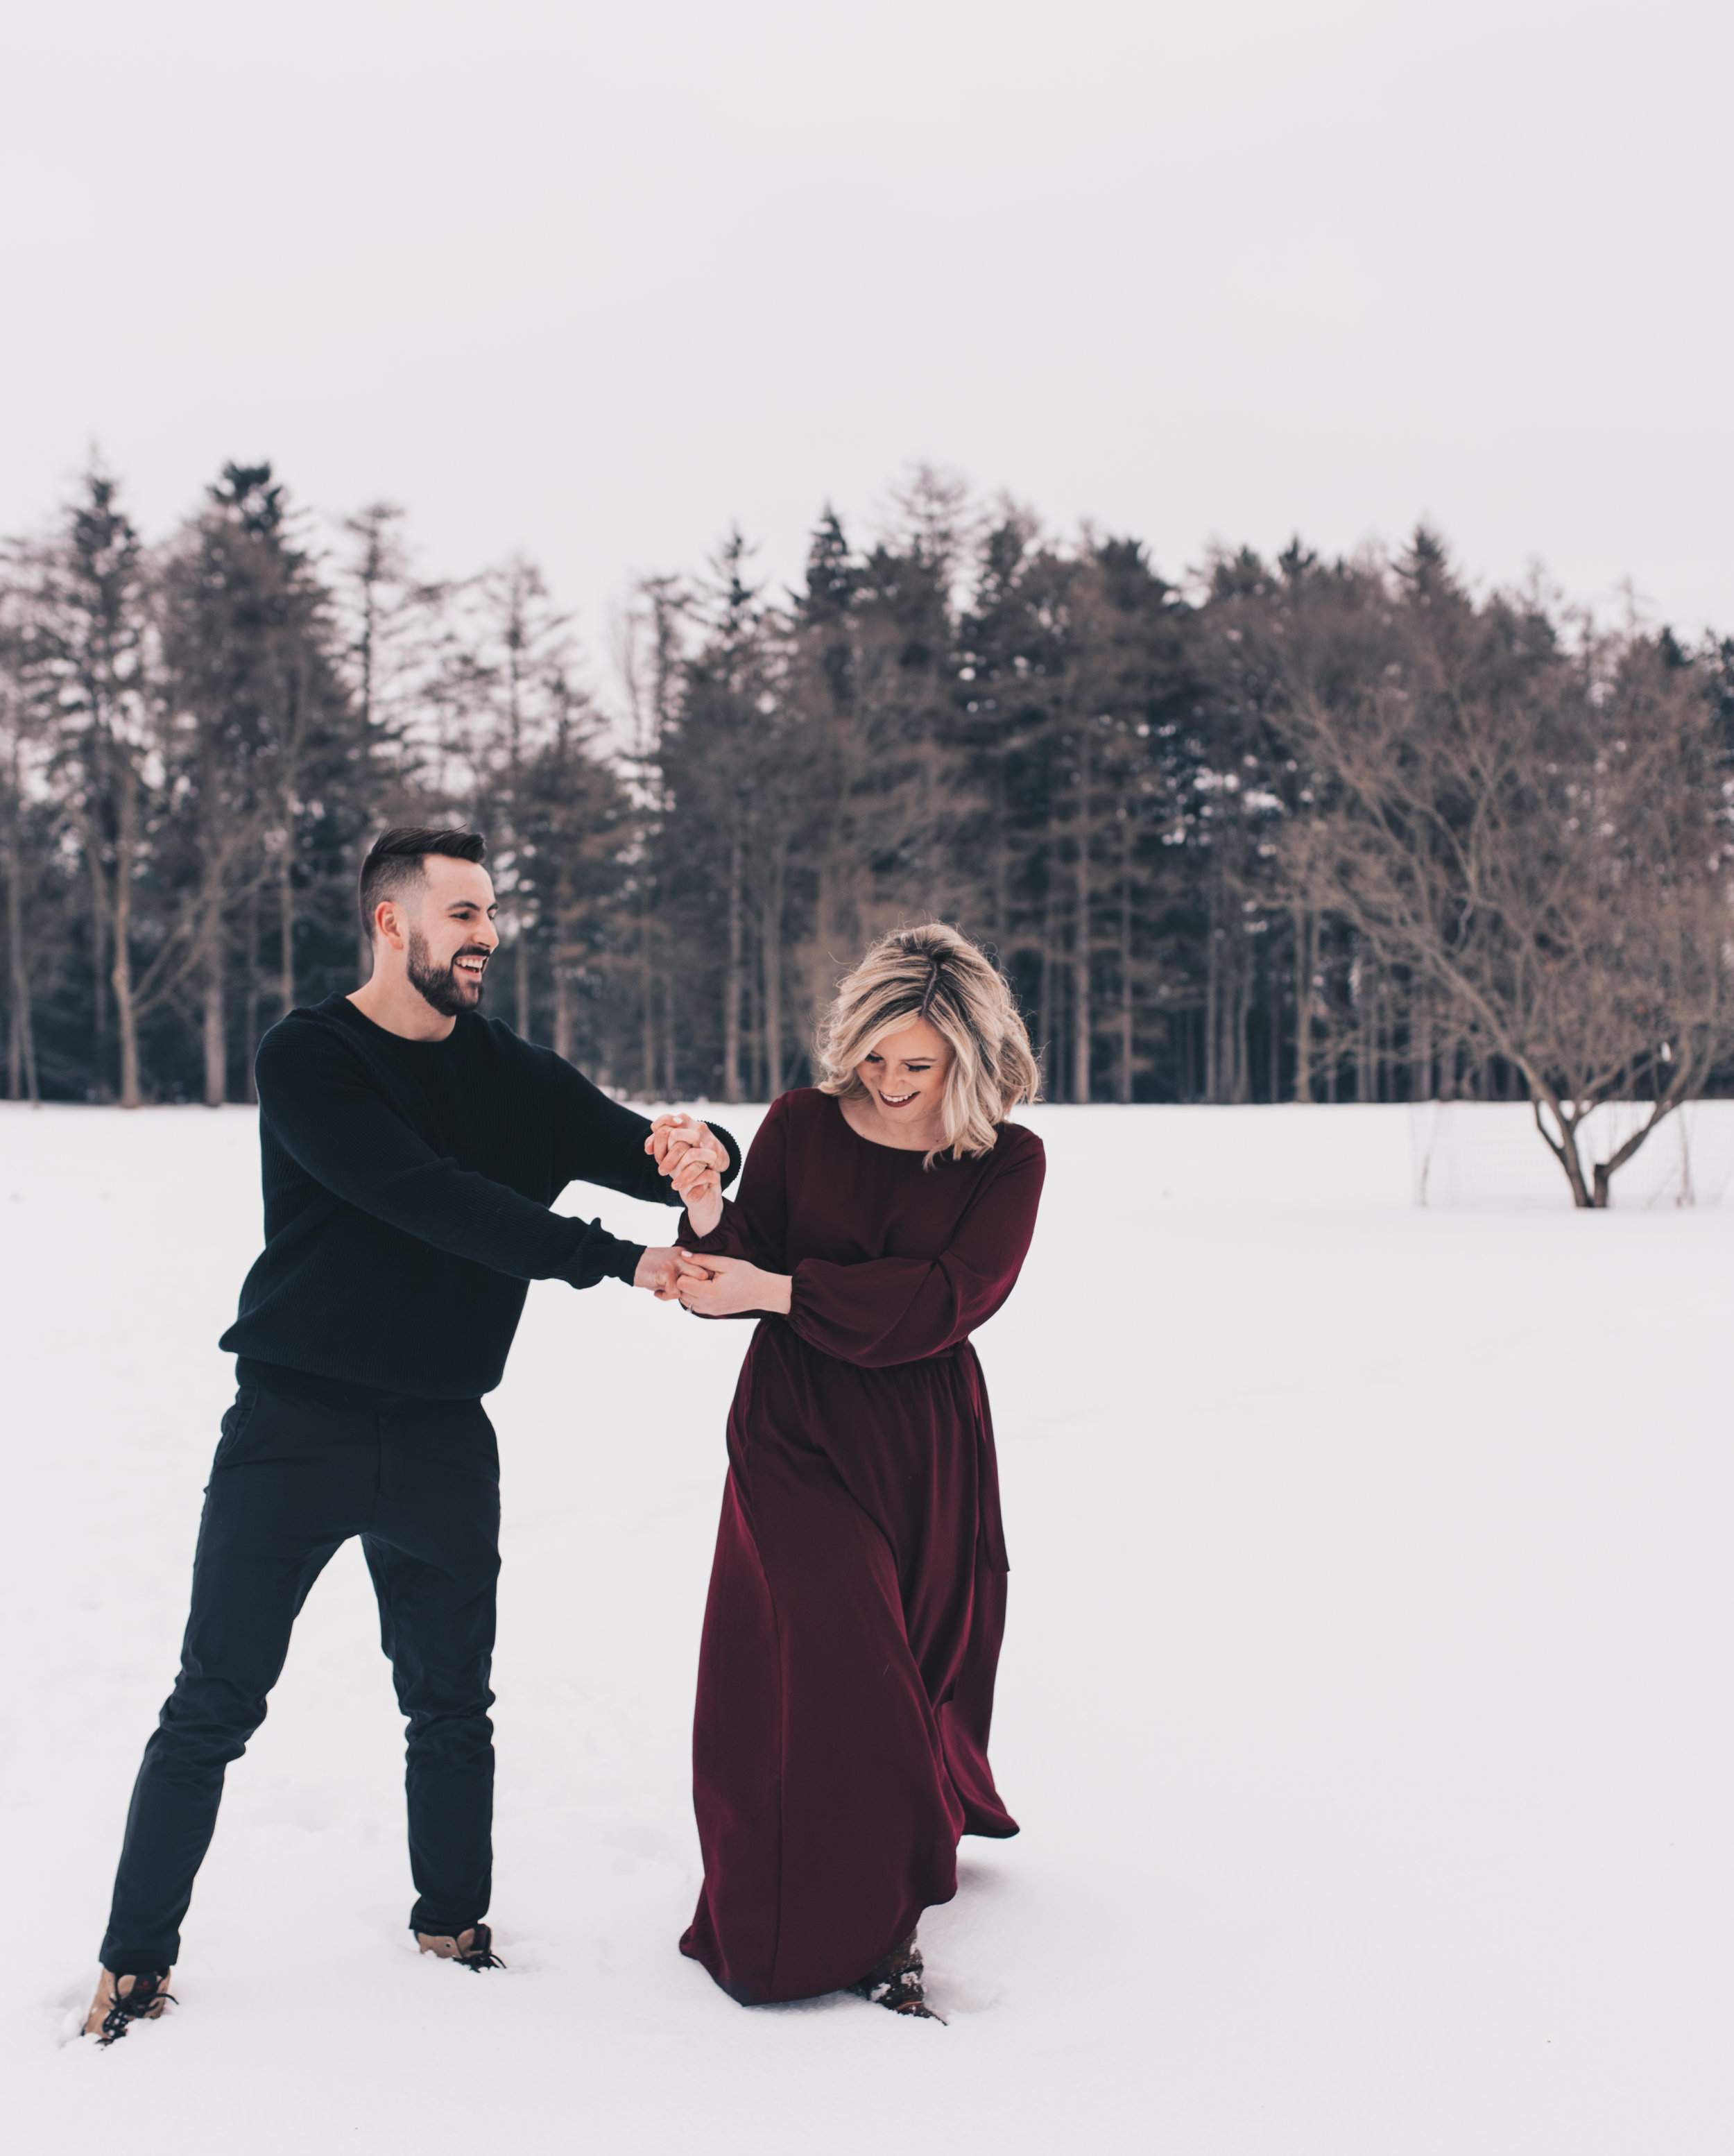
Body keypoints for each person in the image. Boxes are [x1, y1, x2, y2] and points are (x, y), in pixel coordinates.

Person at [83, 825, 735, 2045]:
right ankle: (131, 1969)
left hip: (443, 1435)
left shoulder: (516, 1075)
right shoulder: (310, 1055)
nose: (488, 936)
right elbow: (424, 1196)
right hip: (293, 1425)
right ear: (393, 923)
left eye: (492, 915)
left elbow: (646, 1157)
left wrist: (707, 1154)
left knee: (451, 1706)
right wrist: (616, 1261)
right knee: (213, 1702)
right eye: (465, 913)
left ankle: (453, 1926)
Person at [671, 923, 1044, 2019]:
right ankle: (836, 1928)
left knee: (908, 1665)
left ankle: (889, 1878)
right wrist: (704, 1211)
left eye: (916, 1064)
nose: (885, 1083)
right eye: (873, 1056)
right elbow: (733, 1268)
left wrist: (778, 1292)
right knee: (841, 1673)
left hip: (924, 1438)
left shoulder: (1007, 1161)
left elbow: (946, 1301)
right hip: (792, 1427)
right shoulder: (796, 1123)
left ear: (968, 1060)